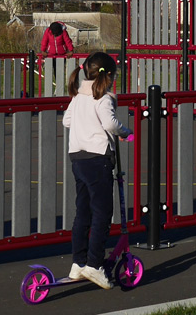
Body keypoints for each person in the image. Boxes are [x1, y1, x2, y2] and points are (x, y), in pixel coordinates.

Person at [63, 52, 132, 289]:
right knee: (102, 212)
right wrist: (125, 132)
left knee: (83, 211)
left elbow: (67, 121)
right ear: (110, 75)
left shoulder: (78, 96)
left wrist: (85, 123)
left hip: (78, 158)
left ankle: (78, 262)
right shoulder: (104, 98)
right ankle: (94, 263)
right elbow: (110, 124)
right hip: (98, 158)